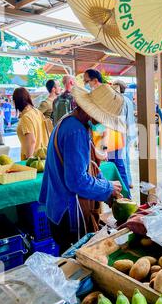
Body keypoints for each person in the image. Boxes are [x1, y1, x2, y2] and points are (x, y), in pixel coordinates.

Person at [39, 84, 124, 254]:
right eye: (102, 118)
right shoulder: (76, 131)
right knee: (73, 263)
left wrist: (104, 184)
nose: (102, 123)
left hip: (58, 207)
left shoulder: (71, 121)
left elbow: (88, 166)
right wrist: (107, 188)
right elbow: (77, 181)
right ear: (90, 111)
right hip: (68, 212)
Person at [112, 80, 137, 190]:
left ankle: (125, 183)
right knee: (126, 158)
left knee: (122, 160)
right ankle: (129, 181)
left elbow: (120, 119)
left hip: (121, 133)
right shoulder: (128, 100)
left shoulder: (120, 101)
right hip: (129, 131)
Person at [13, 88, 49, 160]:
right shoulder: (37, 112)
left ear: (15, 101)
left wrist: (28, 161)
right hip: (43, 157)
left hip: (34, 160)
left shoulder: (26, 117)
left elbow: (31, 141)